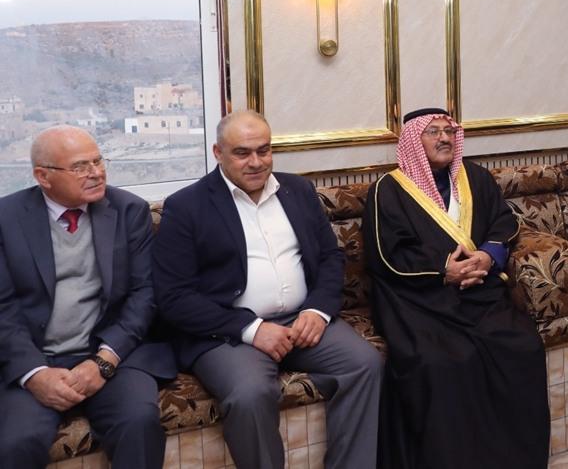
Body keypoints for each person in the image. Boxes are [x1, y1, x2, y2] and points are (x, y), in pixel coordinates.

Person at [151, 111, 381, 469]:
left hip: (302, 320)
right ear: (218, 153)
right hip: (228, 333)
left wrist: (318, 310)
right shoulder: (186, 207)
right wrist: (252, 329)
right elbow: (174, 296)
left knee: (365, 364)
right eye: (242, 153)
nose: (256, 162)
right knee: (249, 394)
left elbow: (330, 257)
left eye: (264, 150)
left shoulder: (298, 190)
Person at [363, 108, 549, 469]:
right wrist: (443, 269)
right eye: (433, 132)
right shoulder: (388, 190)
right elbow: (386, 254)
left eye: (449, 131)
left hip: (478, 292)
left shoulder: (475, 177)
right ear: (413, 141)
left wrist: (488, 256)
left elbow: (503, 222)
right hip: (418, 300)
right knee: (443, 362)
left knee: (522, 346)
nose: (445, 138)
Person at [0, 126, 174, 468]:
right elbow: (3, 309)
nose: (96, 173)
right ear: (43, 176)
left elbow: (144, 294)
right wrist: (35, 373)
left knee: (138, 423)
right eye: (80, 166)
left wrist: (104, 361)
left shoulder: (128, 210)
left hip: (113, 353)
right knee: (17, 442)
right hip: (35, 356)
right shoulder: (6, 219)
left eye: (98, 161)